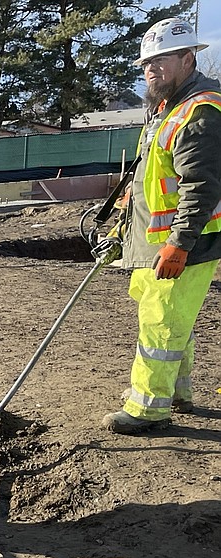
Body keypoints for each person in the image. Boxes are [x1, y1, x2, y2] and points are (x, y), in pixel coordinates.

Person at [102, 18, 221, 435]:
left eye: (162, 60)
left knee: (161, 321)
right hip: (156, 239)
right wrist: (122, 222)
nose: (151, 69)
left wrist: (179, 244)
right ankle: (178, 393)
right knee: (173, 322)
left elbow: (202, 188)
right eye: (147, 62)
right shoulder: (166, 108)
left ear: (188, 58)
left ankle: (149, 410)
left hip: (185, 243)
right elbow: (150, 176)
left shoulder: (201, 110)